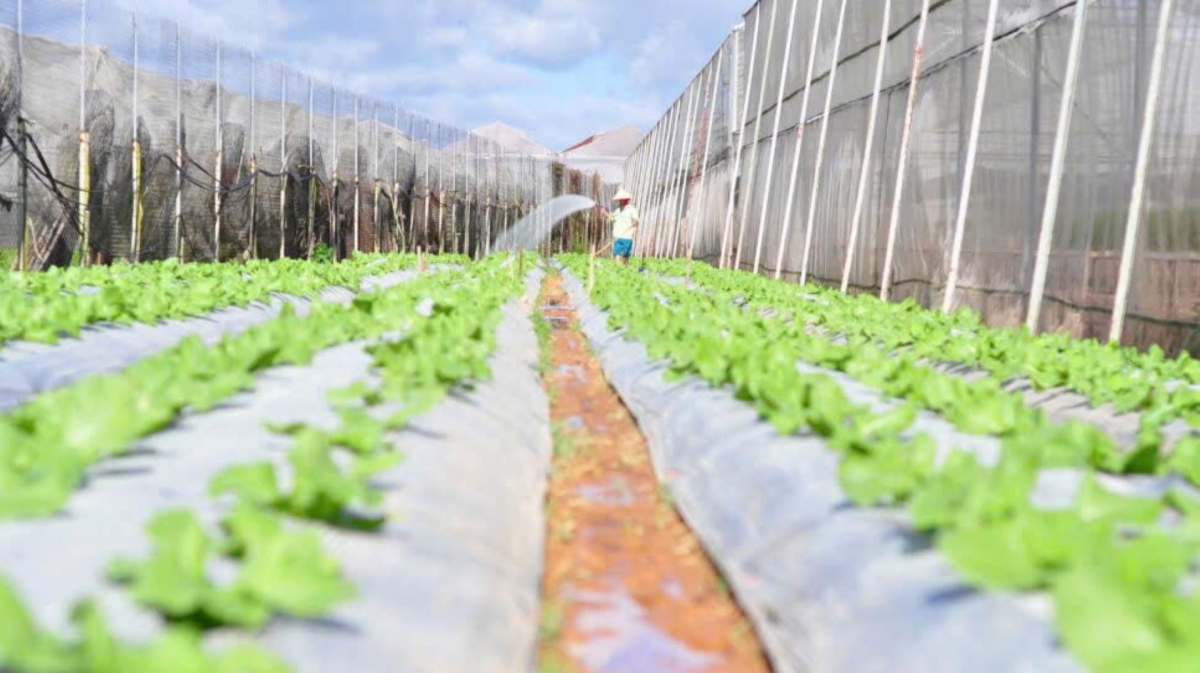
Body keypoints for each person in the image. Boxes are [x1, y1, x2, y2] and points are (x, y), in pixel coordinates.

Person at [599, 188, 640, 266]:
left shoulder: (632, 210)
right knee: (617, 254)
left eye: (620, 199)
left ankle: (624, 269)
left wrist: (635, 223)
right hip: (617, 237)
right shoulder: (618, 210)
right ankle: (618, 269)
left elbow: (636, 221)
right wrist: (604, 213)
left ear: (625, 199)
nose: (619, 201)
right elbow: (611, 218)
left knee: (625, 256)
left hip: (626, 237)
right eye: (619, 200)